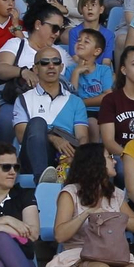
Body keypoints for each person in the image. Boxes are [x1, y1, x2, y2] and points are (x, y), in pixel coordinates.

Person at [44, 145, 134, 267]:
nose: (115, 161)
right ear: (95, 163)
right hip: (78, 256)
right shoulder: (71, 193)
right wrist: (88, 213)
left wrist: (112, 216)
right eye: (109, 158)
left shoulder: (115, 194)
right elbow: (60, 235)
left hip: (112, 255)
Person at [13, 45, 89, 182]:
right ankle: (42, 179)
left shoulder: (76, 101)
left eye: (56, 62)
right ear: (35, 69)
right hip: (30, 158)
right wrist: (53, 138)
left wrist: (78, 157)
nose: (51, 66)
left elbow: (82, 136)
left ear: (61, 67)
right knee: (37, 122)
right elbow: (21, 136)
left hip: (65, 157)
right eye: (45, 63)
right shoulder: (23, 99)